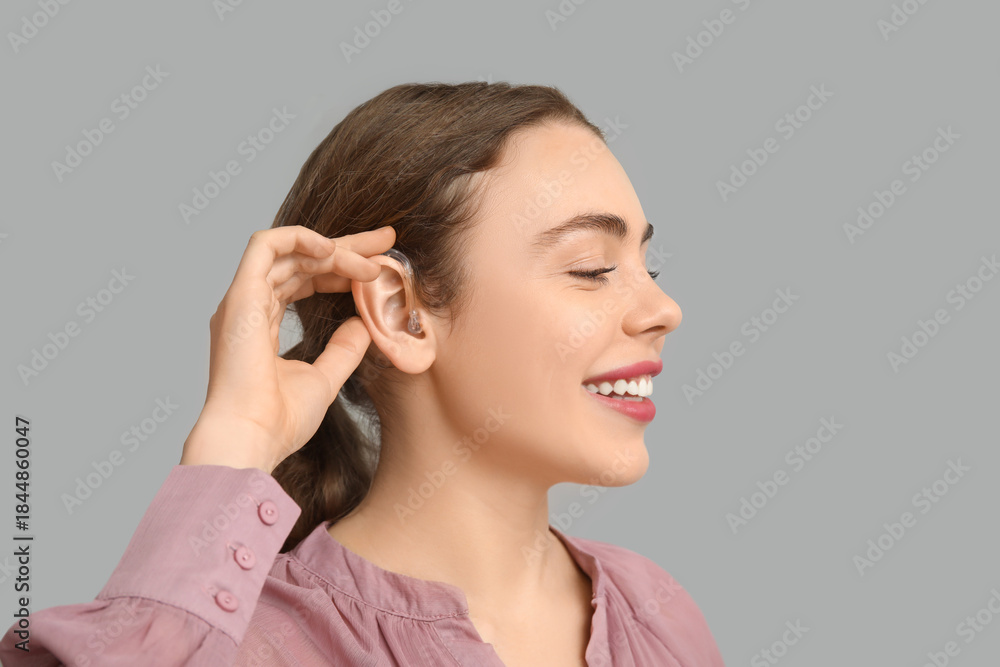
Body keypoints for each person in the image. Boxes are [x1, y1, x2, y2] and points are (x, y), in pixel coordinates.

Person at [0, 82, 725, 666]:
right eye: (592, 268)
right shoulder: (253, 646)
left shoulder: (653, 611)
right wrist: (234, 448)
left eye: (646, 266)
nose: (664, 308)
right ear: (405, 312)